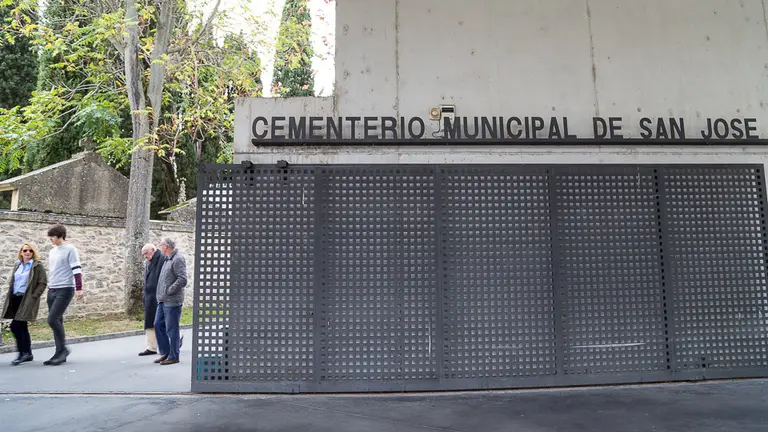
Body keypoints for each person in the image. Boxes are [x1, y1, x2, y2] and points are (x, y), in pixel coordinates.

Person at [1, 243, 48, 365]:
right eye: (25, 250)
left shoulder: (37, 266)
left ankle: (24, 353)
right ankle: (27, 353)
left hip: (26, 299)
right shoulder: (17, 265)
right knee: (22, 326)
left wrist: (33, 297)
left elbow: (42, 283)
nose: (27, 252)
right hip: (15, 298)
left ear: (33, 253)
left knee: (15, 326)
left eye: (30, 250)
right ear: (21, 252)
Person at [45, 224, 84, 366]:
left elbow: (76, 269)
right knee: (57, 321)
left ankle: (63, 350)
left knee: (52, 319)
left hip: (65, 288)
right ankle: (59, 352)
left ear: (60, 236)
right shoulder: (52, 251)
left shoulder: (71, 249)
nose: (50, 239)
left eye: (53, 236)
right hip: (52, 289)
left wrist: (79, 288)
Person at [154, 237, 187, 365]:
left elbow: (183, 279)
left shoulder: (178, 259)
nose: (160, 247)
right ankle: (166, 352)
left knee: (172, 329)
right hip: (162, 300)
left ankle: (174, 356)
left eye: (161, 245)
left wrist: (169, 290)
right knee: (158, 325)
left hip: (172, 300)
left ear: (166, 246)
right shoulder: (167, 259)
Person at [139, 243, 163, 356]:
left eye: (146, 253)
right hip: (149, 296)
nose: (145, 256)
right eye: (143, 254)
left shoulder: (162, 259)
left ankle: (177, 338)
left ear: (153, 250)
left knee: (161, 322)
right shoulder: (148, 262)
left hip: (158, 295)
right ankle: (151, 347)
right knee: (149, 322)